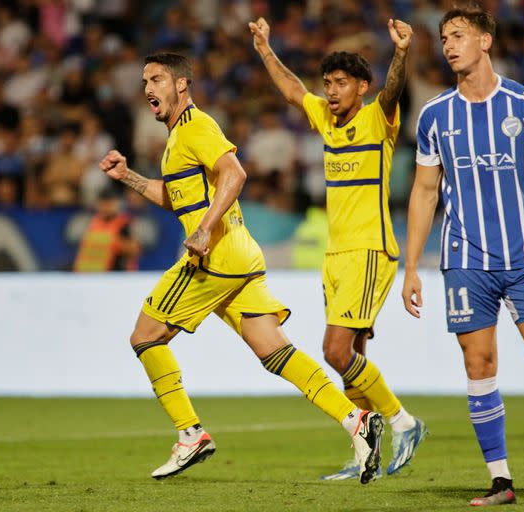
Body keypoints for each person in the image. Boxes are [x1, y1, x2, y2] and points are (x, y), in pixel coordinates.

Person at [99, 52, 384, 483]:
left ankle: (189, 432)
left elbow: (235, 173)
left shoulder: (197, 126)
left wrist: (202, 232)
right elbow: (176, 197)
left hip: (213, 257)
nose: (147, 89)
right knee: (276, 352)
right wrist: (128, 178)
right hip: (240, 255)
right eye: (144, 82)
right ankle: (355, 422)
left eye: (156, 79)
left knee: (145, 336)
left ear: (181, 85)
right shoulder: (178, 136)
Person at [402, 6, 524, 505]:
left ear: (486, 41)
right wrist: (410, 267)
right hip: (465, 260)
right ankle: (500, 479)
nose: (449, 45)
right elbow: (425, 192)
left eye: (459, 35)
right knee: (479, 364)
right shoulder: (434, 114)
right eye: (444, 37)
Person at [250, 17, 426, 480]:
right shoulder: (326, 120)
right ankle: (364, 451)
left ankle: (404, 423)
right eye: (327, 83)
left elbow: (392, 91)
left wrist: (402, 53)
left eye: (341, 84)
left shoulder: (378, 118)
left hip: (370, 251)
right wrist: (266, 48)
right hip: (336, 256)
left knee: (334, 350)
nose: (330, 91)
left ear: (361, 88)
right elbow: (291, 90)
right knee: (354, 360)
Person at [73, 188, 140, 272]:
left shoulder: (125, 223)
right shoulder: (91, 222)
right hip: (92, 272)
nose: (106, 207)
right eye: (103, 203)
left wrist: (116, 243)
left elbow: (135, 250)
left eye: (109, 203)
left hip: (117, 274)